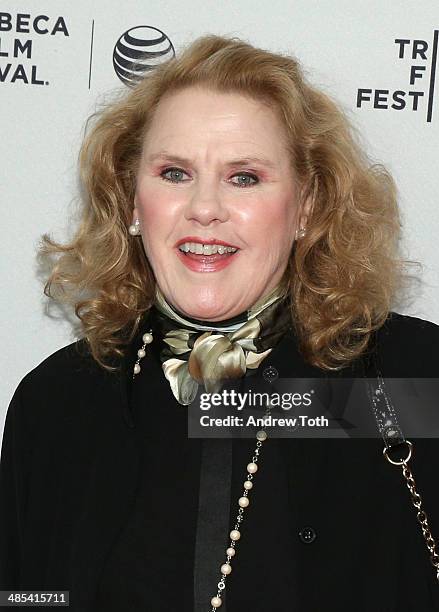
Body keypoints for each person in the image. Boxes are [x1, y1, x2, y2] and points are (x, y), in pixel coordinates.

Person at [1, 34, 438, 612]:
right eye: (174, 173)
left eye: (244, 177)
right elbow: (29, 596)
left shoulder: (416, 381)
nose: (204, 208)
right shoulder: (58, 402)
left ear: (306, 206)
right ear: (132, 201)